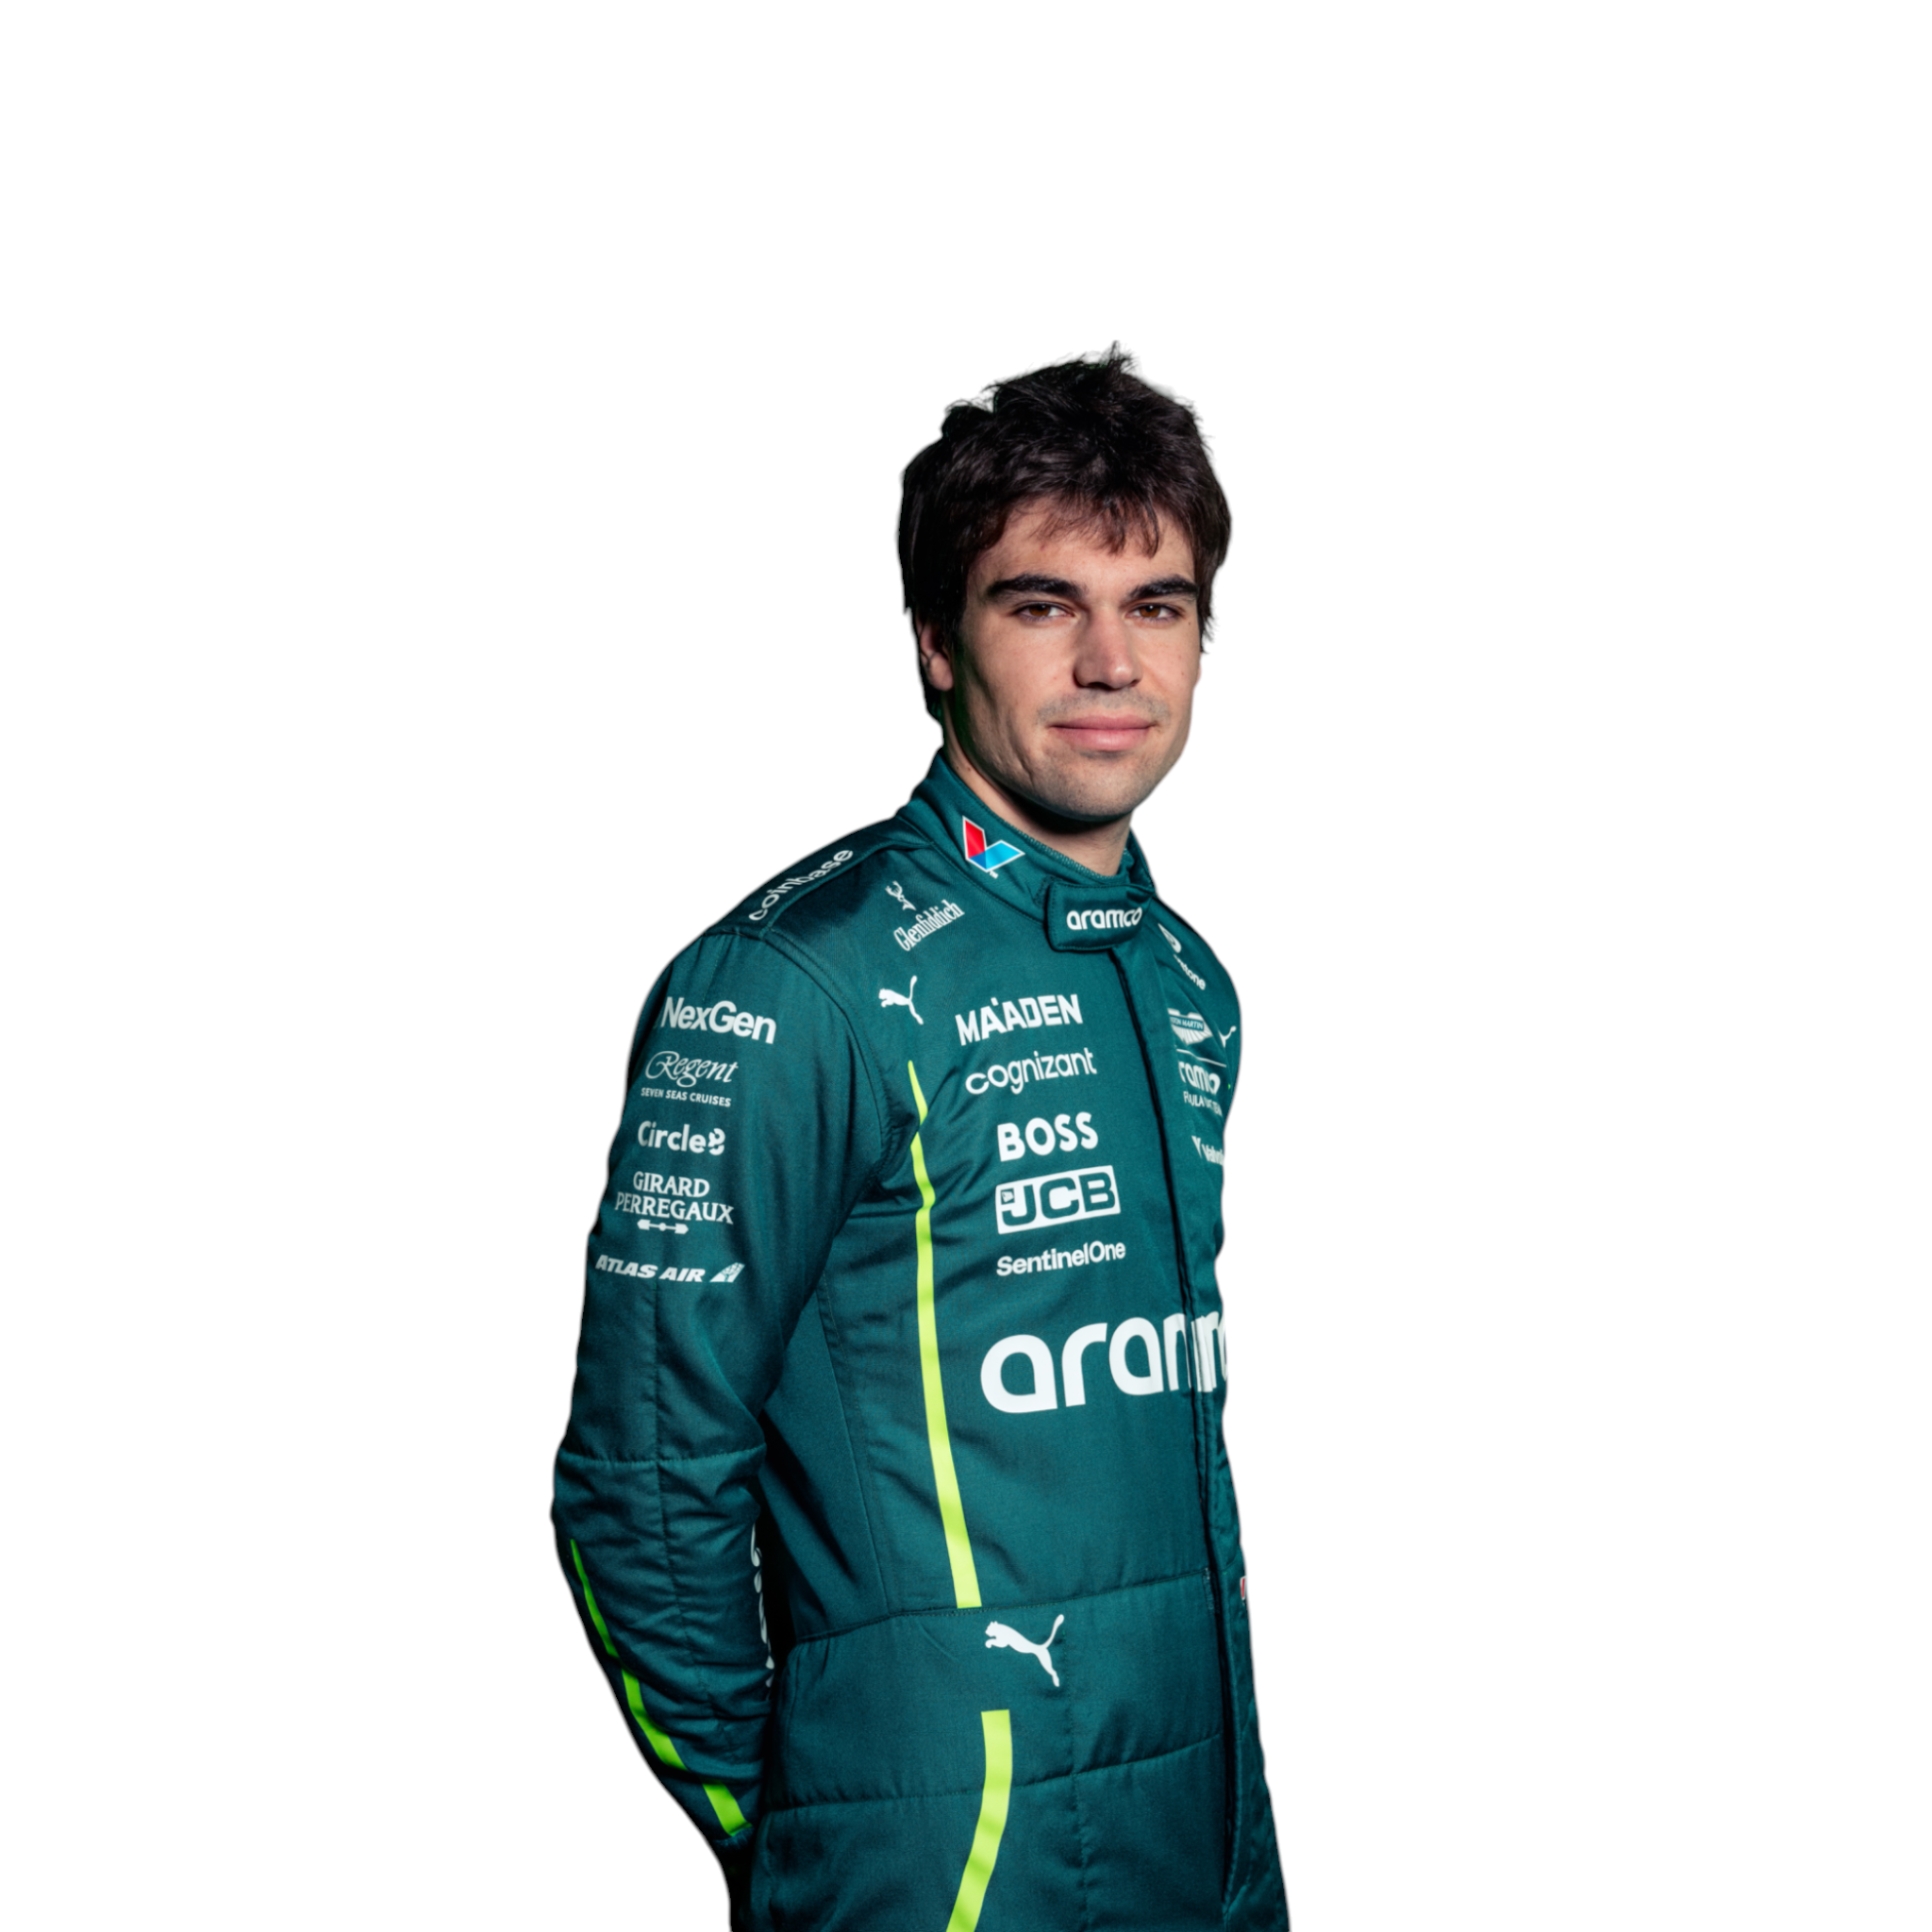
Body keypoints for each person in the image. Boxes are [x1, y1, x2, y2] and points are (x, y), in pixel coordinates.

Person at [554, 349, 1290, 1930]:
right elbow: (641, 1477)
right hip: (939, 1871)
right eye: (1043, 604)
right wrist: (807, 1823)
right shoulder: (787, 985)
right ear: (938, 646)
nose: (1110, 660)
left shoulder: (1186, 983)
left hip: (1211, 1843)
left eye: (1157, 606)